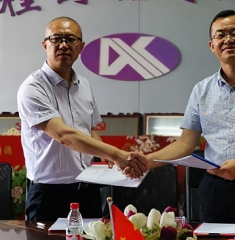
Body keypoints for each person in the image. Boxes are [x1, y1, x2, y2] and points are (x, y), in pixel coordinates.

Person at [130, 10, 235, 223]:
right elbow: (185, 144)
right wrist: (147, 161)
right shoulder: (201, 90)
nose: (228, 39)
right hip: (215, 189)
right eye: (220, 35)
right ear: (212, 45)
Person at [17, 17, 145, 221]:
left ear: (81, 47)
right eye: (56, 39)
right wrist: (117, 154)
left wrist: (113, 161)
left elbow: (89, 129)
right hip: (48, 194)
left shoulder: (83, 84)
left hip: (87, 191)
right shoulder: (32, 88)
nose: (63, 45)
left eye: (70, 39)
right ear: (45, 45)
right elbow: (64, 135)